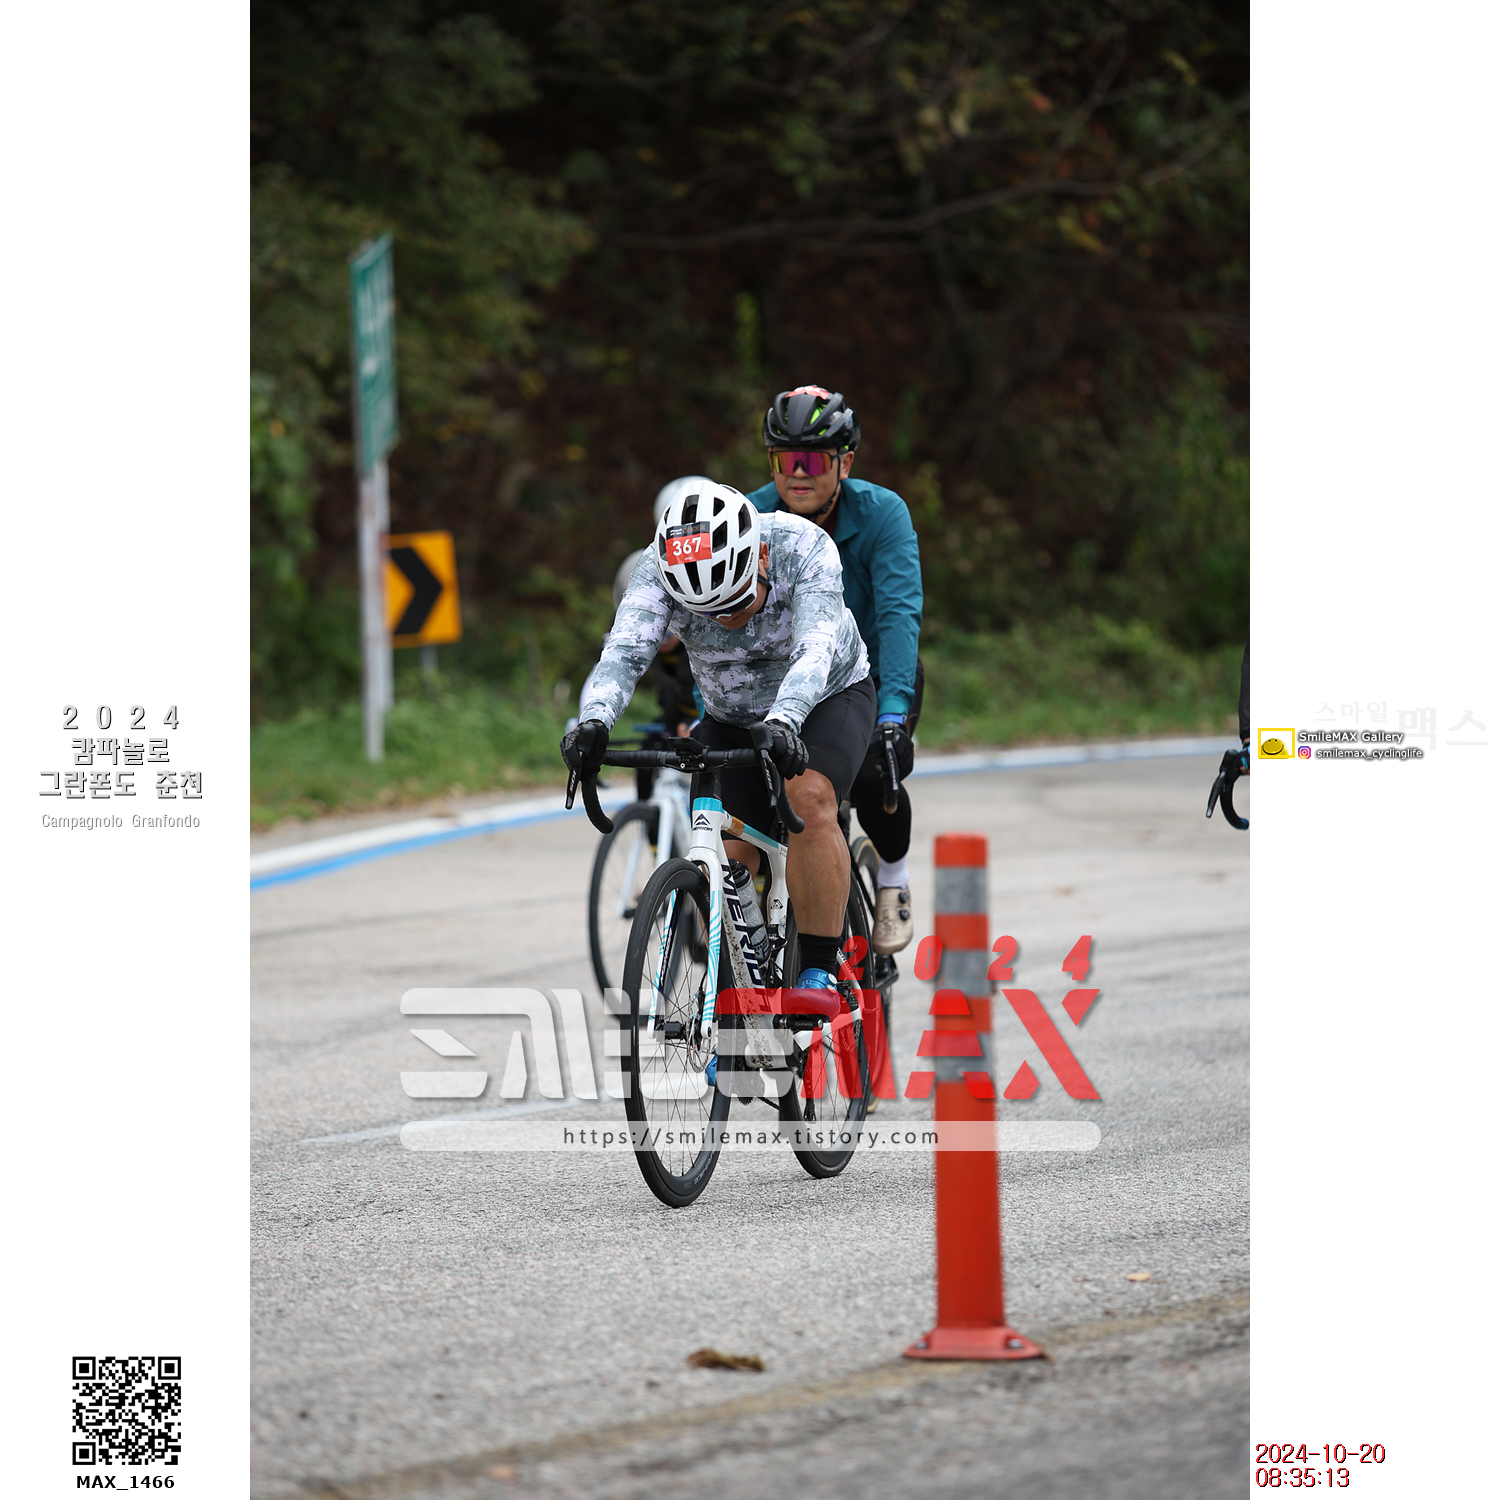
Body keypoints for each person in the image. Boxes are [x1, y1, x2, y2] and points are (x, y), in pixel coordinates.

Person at [562, 480, 876, 1018]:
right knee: (725, 852)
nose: (726, 620)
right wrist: (595, 720)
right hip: (730, 716)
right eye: (707, 613)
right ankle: (745, 984)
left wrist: (786, 719)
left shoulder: (803, 546)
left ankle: (820, 970)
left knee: (809, 797)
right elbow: (624, 651)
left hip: (826, 697)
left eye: (738, 602)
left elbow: (815, 649)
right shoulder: (657, 569)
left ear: (760, 556)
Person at [746, 386, 923, 956]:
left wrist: (893, 715)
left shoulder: (882, 514)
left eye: (813, 460)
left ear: (845, 463)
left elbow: (898, 615)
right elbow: (714, 626)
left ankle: (892, 877)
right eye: (785, 460)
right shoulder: (749, 517)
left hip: (868, 674)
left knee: (874, 772)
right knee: (759, 785)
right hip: (784, 679)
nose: (798, 474)